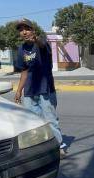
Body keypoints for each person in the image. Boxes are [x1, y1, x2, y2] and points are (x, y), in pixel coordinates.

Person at [13, 18, 65, 152]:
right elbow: (24, 70)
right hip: (30, 91)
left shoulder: (42, 43)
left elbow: (42, 45)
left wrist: (36, 39)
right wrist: (19, 90)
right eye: (21, 30)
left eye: (26, 29)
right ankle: (42, 147)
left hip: (45, 88)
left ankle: (59, 146)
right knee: (34, 122)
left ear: (33, 30)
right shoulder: (21, 49)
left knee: (50, 120)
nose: (24, 32)